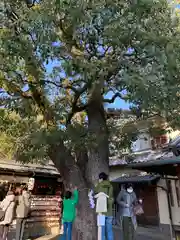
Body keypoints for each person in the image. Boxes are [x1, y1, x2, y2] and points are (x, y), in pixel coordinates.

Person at [95, 172, 114, 240]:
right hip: (109, 212)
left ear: (101, 178)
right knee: (109, 231)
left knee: (101, 231)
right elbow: (110, 197)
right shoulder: (110, 185)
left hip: (101, 212)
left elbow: (95, 192)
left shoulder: (99, 185)